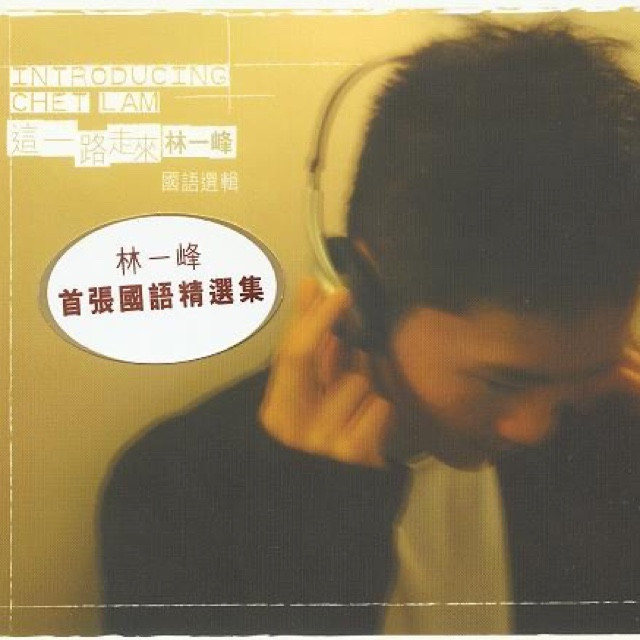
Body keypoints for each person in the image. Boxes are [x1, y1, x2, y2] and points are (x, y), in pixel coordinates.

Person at [100, 19, 640, 635]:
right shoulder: (182, 491)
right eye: (503, 382)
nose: (536, 427)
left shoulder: (607, 437)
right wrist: (320, 549)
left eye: (585, 372)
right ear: (364, 297)